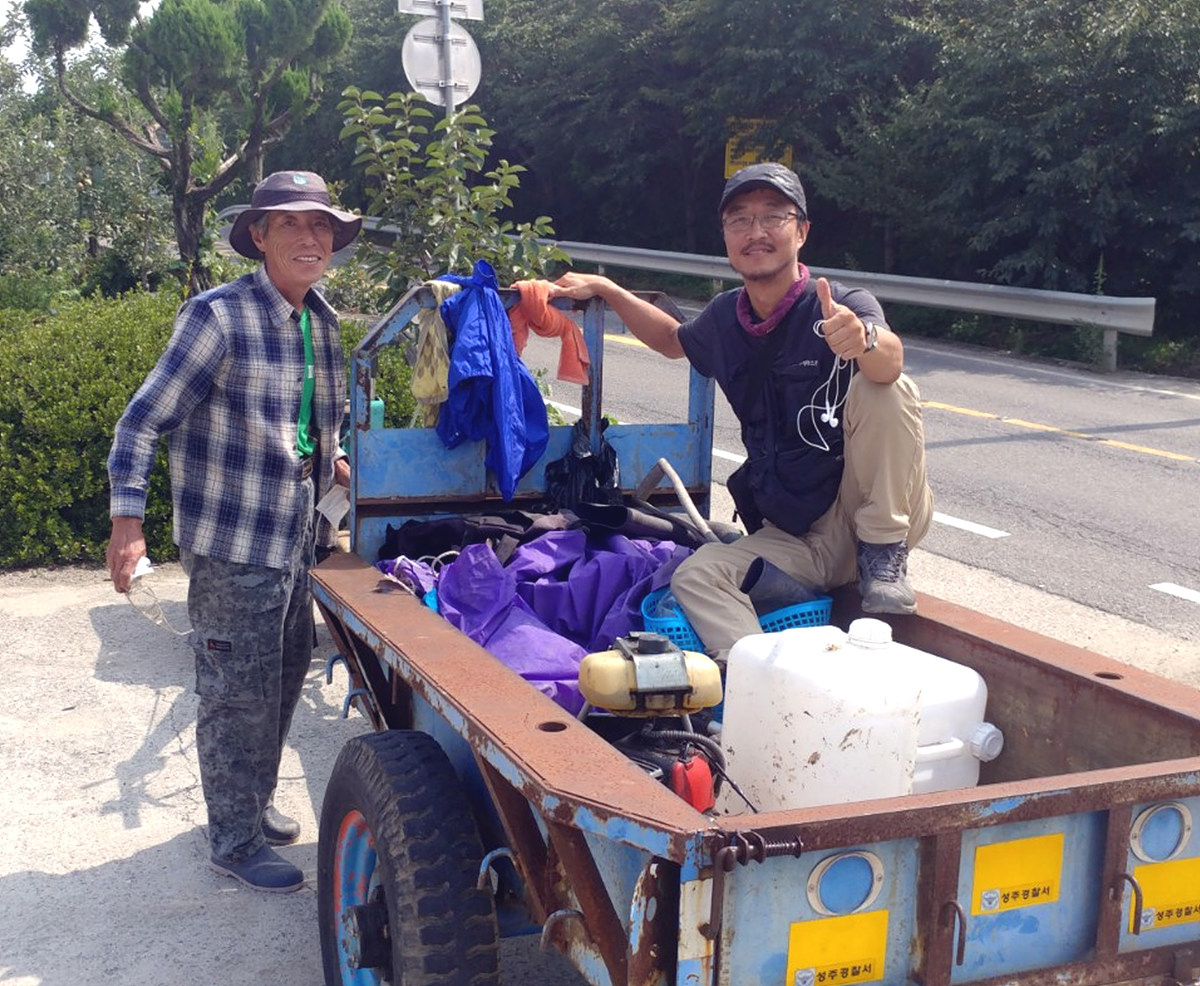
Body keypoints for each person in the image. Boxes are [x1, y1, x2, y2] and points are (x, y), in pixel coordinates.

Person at [549, 162, 932, 658]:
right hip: (799, 536)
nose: (756, 232)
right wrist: (609, 290)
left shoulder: (840, 304)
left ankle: (884, 556)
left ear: (802, 232)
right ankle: (769, 686)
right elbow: (670, 340)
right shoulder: (725, 318)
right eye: (740, 220)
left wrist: (864, 340)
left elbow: (891, 361)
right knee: (697, 576)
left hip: (863, 513)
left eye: (774, 216)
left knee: (886, 387)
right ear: (726, 237)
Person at [105, 171, 361, 892]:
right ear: (259, 236)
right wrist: (128, 524)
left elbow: (313, 424)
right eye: (292, 225)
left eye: (322, 227)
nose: (311, 239)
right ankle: (233, 840)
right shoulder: (218, 317)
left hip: (295, 541)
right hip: (233, 547)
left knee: (280, 684)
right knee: (232, 693)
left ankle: (250, 805)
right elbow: (142, 421)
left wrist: (336, 465)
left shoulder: (322, 320)